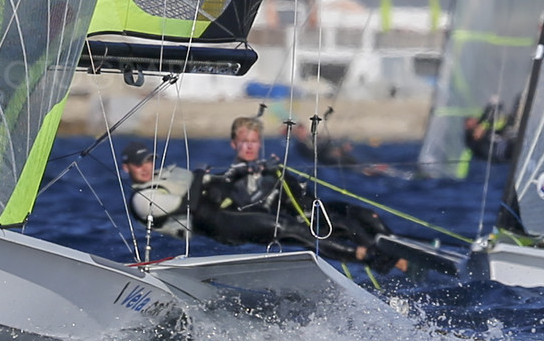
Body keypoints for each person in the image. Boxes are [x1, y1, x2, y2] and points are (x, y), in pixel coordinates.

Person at [189, 116, 405, 271]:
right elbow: (238, 207)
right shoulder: (228, 176)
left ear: (259, 143)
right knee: (344, 225)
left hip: (308, 211)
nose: (249, 147)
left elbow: (302, 195)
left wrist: (279, 173)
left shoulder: (271, 167)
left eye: (253, 142)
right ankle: (388, 260)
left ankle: (402, 250)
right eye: (244, 142)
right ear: (234, 144)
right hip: (285, 224)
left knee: (364, 214)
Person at [120, 141, 196, 238]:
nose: (145, 168)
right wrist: (199, 176)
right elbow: (190, 205)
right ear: (126, 168)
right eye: (138, 164)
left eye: (148, 161)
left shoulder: (165, 174)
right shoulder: (141, 199)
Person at [465, 97, 517, 164]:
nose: (474, 119)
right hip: (505, 150)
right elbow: (477, 135)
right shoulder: (475, 142)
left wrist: (493, 103)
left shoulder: (484, 120)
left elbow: (496, 103)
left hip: (508, 137)